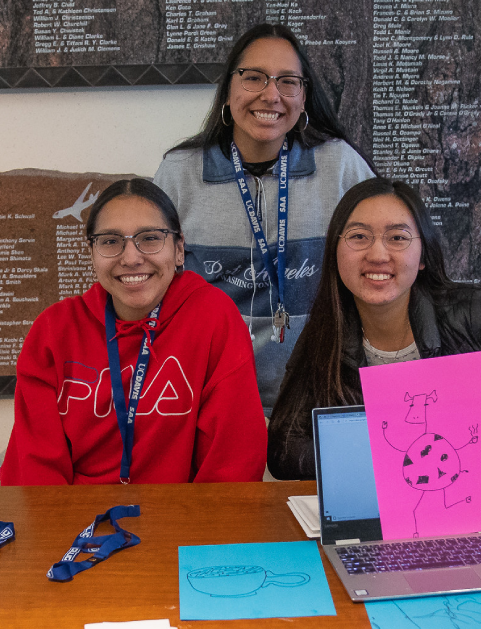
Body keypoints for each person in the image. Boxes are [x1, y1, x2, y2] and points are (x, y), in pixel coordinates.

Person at [267, 178, 481, 515]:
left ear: (422, 256)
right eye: (359, 236)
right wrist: (379, 455)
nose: (377, 253)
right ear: (335, 253)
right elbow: (284, 452)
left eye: (397, 237)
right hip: (400, 516)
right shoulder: (327, 331)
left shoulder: (471, 315)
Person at [154, 23, 375, 411]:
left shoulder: (339, 165)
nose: (271, 95)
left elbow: (390, 252)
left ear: (304, 97)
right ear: (228, 89)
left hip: (321, 400)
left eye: (288, 81)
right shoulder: (180, 172)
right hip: (214, 402)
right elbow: (151, 283)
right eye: (253, 77)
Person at [0, 178, 266, 486]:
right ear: (92, 253)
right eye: (111, 241)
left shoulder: (212, 317)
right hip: (76, 524)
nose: (130, 258)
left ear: (179, 249)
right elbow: (34, 471)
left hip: (183, 521)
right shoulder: (53, 330)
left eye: (150, 238)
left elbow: (233, 460)